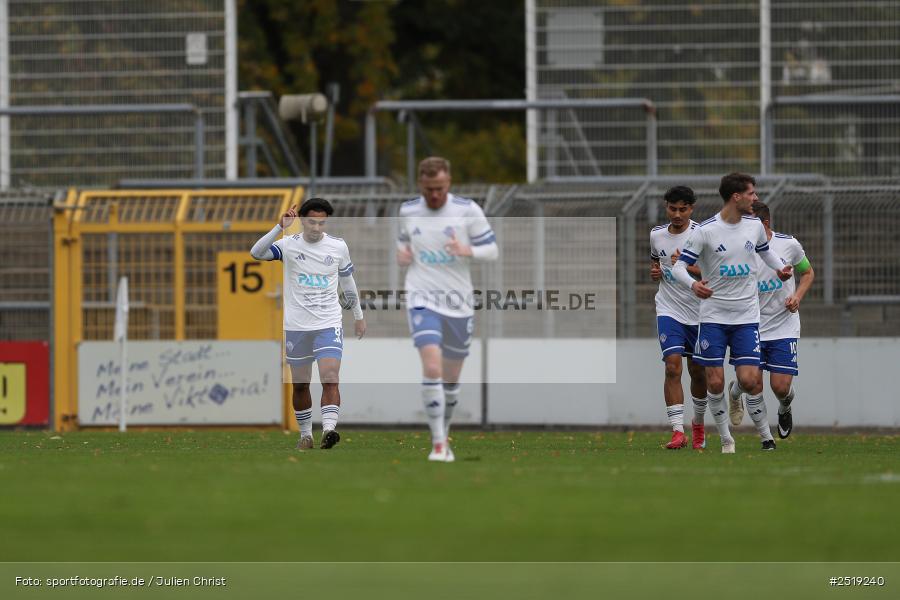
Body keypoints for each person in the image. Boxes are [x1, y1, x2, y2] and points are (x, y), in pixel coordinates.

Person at [672, 173, 792, 453]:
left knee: (750, 381)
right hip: (713, 317)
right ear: (736, 197)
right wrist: (694, 285)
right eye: (751, 193)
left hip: (747, 318)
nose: (756, 198)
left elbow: (765, 253)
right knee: (714, 381)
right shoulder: (705, 231)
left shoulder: (754, 227)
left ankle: (762, 432)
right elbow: (678, 268)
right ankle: (728, 439)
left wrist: (779, 268)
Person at [397, 157, 498, 463]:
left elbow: (492, 250)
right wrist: (401, 255)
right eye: (429, 189)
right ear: (420, 185)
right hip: (421, 296)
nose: (435, 195)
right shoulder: (407, 210)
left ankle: (445, 430)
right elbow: (403, 244)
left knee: (451, 382)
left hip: (458, 302)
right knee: (431, 368)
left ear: (449, 183)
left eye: (439, 188)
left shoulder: (468, 210)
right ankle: (438, 444)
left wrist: (468, 250)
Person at [250, 197, 366, 451]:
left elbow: (348, 282)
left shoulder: (337, 247)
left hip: (328, 322)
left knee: (330, 377)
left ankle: (329, 430)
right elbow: (256, 253)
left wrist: (358, 315)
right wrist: (279, 227)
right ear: (302, 221)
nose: (316, 227)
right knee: (300, 384)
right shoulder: (288, 245)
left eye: (321, 223)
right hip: (297, 326)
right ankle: (306, 435)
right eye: (312, 222)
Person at [726, 200, 814, 439]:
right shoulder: (738, 248)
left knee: (781, 387)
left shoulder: (788, 244)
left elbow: (807, 272)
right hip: (749, 325)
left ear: (764, 224)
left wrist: (797, 296)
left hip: (783, 326)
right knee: (750, 383)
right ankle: (735, 394)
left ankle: (785, 408)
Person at [649, 186, 708, 450]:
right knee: (672, 365)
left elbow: (712, 270)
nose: (677, 214)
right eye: (672, 208)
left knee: (698, 370)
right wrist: (656, 272)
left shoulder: (702, 234)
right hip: (669, 308)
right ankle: (677, 431)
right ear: (666, 208)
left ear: (691, 209)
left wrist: (688, 265)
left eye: (683, 209)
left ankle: (698, 425)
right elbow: (656, 262)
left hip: (700, 312)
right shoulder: (656, 235)